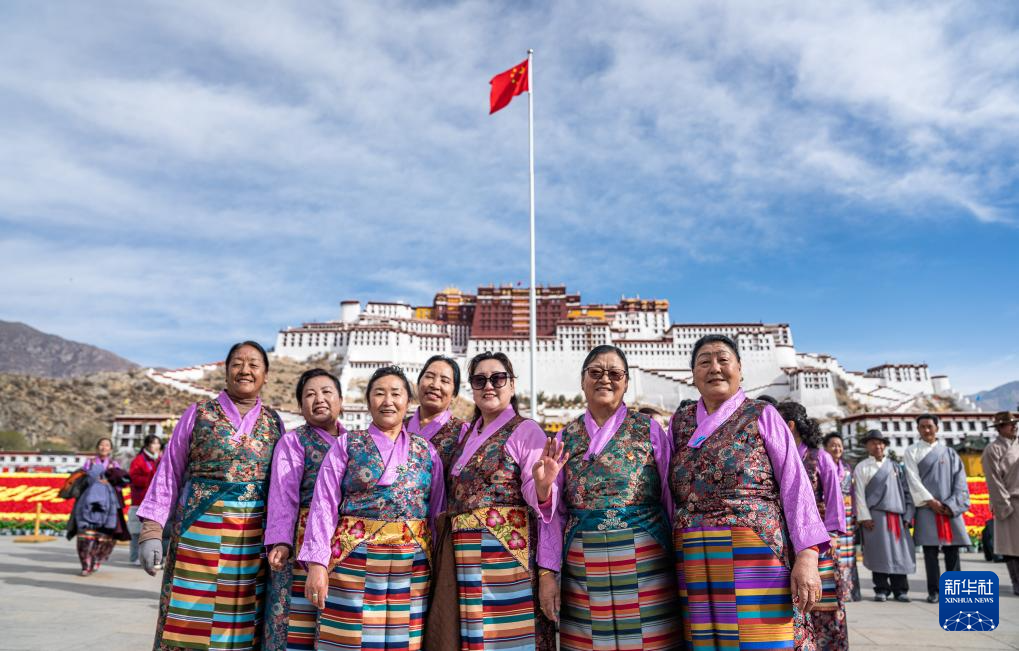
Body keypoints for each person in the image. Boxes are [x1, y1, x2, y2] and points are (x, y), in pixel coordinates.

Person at [670, 335, 828, 650]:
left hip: (756, 551)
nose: (714, 368)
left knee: (765, 640)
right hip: (693, 555)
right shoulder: (679, 423)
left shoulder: (762, 414)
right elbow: (665, 490)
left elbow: (795, 485)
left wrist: (808, 555)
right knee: (706, 642)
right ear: (693, 375)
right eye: (704, 362)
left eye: (723, 359)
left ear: (740, 369)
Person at [137, 340, 285, 651]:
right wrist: (151, 530)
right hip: (196, 534)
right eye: (237, 363)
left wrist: (281, 538)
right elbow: (169, 471)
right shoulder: (198, 413)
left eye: (254, 364)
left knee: (240, 626)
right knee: (187, 621)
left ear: (266, 375)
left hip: (249, 542)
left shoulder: (274, 422)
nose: (245, 370)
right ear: (226, 371)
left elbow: (281, 486)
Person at [298, 366, 444, 650]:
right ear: (368, 401)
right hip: (353, 557)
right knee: (349, 639)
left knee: (405, 642)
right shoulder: (347, 444)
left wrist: (438, 565)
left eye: (396, 394)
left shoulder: (427, 450)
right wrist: (317, 563)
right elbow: (324, 504)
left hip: (412, 562)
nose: (388, 401)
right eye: (379, 393)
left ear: (408, 401)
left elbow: (437, 510)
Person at [551, 345, 681, 650]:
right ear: (582, 380)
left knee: (650, 639)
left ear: (626, 382)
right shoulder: (564, 437)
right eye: (595, 372)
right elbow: (554, 513)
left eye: (614, 373)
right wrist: (548, 571)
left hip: (646, 552)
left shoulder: (649, 429)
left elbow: (669, 495)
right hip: (582, 557)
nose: (605, 379)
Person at [443, 351, 562, 650]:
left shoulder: (526, 430)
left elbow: (541, 503)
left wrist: (543, 487)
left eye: (497, 378)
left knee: (511, 638)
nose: (488, 386)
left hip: (508, 559)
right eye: (479, 380)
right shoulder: (468, 435)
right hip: (465, 563)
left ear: (512, 385)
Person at [262, 368, 346, 650]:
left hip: (343, 543)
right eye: (310, 394)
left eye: (327, 392)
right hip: (301, 542)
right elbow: (283, 495)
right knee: (297, 621)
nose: (319, 399)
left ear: (341, 400)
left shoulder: (354, 442)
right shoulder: (294, 441)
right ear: (301, 406)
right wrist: (281, 541)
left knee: (335, 622)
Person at [778, 402, 848, 651]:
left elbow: (834, 498)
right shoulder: (778, 454)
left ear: (789, 425)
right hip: (787, 537)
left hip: (819, 538)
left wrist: (832, 532)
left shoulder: (820, 457)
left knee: (822, 598)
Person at [903, 413, 971, 603]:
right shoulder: (911, 452)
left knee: (952, 551)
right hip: (926, 508)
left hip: (949, 509)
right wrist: (931, 501)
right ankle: (934, 591)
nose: (926, 430)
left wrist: (950, 504)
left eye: (930, 426)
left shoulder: (950, 453)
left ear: (937, 428)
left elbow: (960, 482)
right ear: (918, 429)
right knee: (930, 552)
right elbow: (912, 480)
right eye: (922, 427)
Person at [854, 429, 916, 602]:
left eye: (880, 443)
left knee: (899, 553)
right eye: (873, 443)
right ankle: (881, 589)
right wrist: (864, 517)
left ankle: (900, 589)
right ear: (867, 446)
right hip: (875, 517)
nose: (878, 446)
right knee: (878, 553)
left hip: (897, 517)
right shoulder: (862, 467)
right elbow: (859, 494)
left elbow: (907, 492)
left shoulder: (896, 467)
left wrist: (908, 515)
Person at [68, 437, 130, 576]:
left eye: (107, 445)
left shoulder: (114, 464)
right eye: (101, 445)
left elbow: (121, 483)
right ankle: (85, 565)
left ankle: (96, 560)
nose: (104, 447)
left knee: (106, 538)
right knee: (85, 537)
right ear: (97, 447)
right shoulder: (89, 463)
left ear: (110, 449)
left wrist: (111, 481)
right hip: (88, 504)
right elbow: (81, 480)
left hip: (108, 506)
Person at [405, 354, 467, 471]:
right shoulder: (399, 428)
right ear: (418, 383)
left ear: (454, 394)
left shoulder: (463, 433)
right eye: (429, 376)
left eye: (444, 381)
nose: (435, 385)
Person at [981, 411, 1019, 596]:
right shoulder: (992, 450)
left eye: (1015, 423)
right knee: (1011, 546)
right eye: (1010, 424)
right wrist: (1004, 505)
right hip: (1009, 501)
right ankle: (1016, 582)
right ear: (1000, 428)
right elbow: (993, 481)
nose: (1014, 426)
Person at [823, 432, 862, 601]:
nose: (837, 448)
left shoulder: (847, 467)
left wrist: (855, 513)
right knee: (833, 551)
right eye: (833, 445)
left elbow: (853, 492)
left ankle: (849, 590)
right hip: (831, 513)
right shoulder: (823, 465)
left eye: (839, 445)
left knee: (848, 554)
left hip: (847, 515)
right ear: (825, 448)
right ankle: (834, 589)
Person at [128, 434, 163, 564]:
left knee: (150, 530)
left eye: (158, 443)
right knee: (137, 531)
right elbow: (134, 478)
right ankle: (134, 557)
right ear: (147, 445)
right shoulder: (139, 460)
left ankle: (148, 557)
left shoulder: (159, 459)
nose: (156, 446)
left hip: (155, 500)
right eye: (154, 443)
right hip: (140, 499)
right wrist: (151, 478)